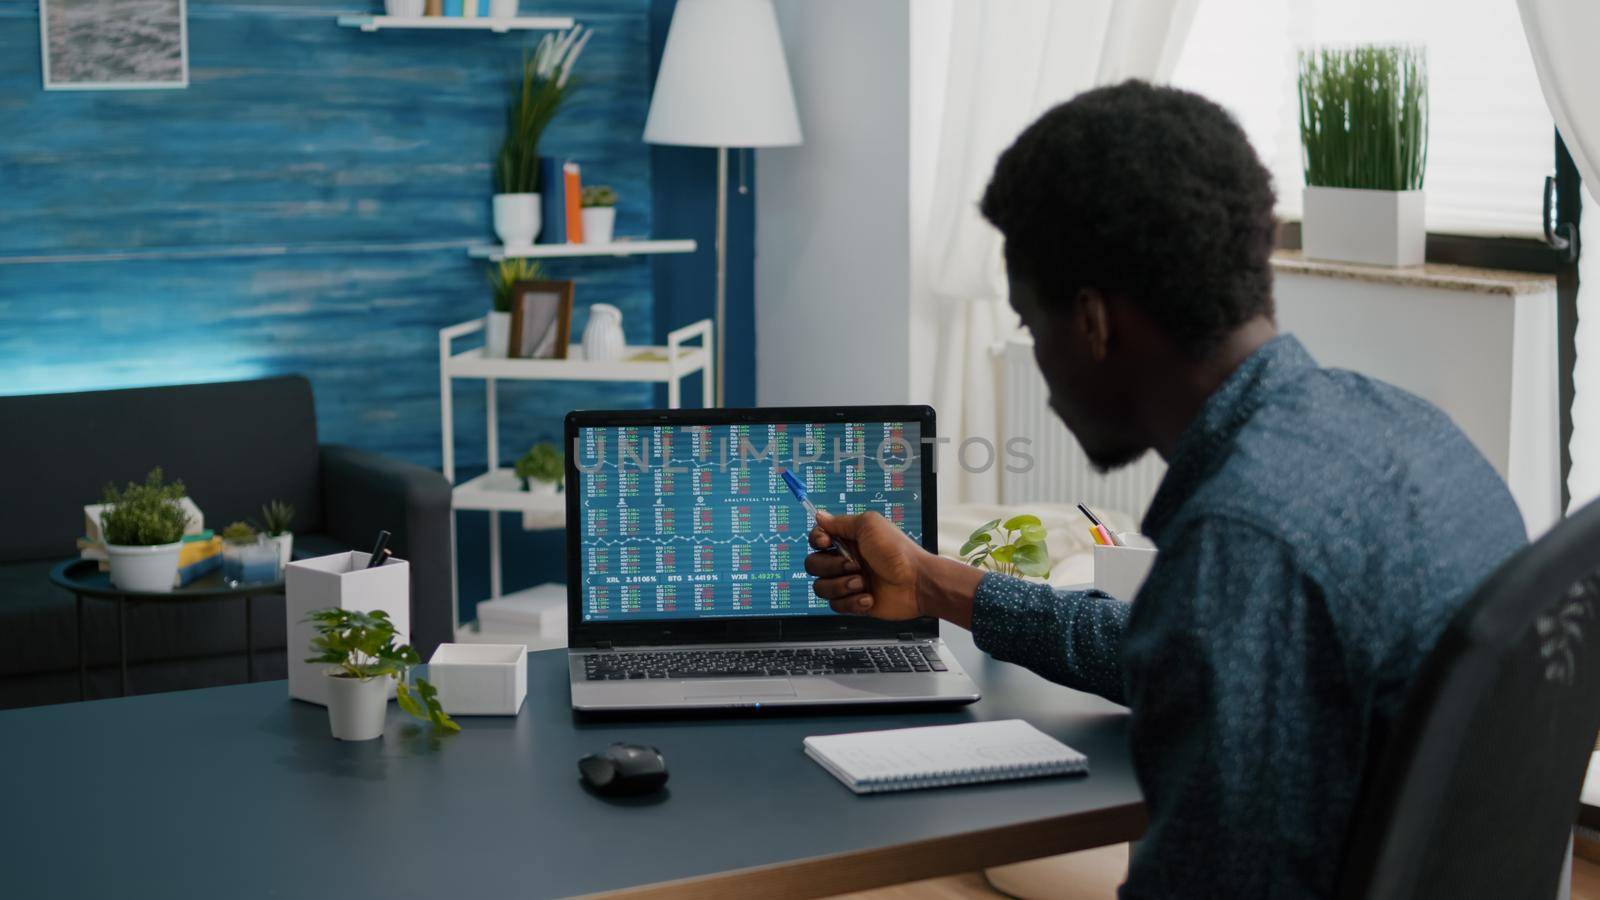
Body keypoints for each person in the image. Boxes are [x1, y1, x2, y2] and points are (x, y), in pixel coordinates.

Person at [804, 81, 1528, 899]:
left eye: (1030, 326)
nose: (1038, 365)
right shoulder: (1412, 432)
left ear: (1093, 322)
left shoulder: (1245, 539)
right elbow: (1172, 650)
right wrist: (934, 583)